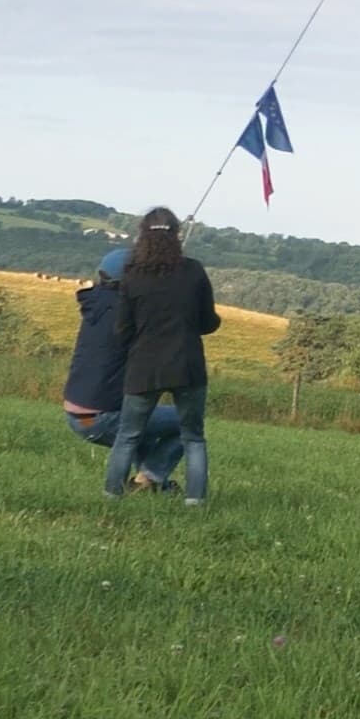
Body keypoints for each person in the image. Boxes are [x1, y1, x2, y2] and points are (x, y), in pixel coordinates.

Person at [105, 207, 220, 505]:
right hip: (188, 365)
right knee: (193, 437)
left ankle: (111, 496)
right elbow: (209, 322)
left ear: (142, 235)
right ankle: (195, 501)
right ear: (177, 235)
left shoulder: (132, 275)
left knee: (128, 436)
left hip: (144, 366)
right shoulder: (194, 270)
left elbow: (122, 330)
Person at [61, 245, 184, 490]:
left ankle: (150, 488)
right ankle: (147, 480)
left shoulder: (98, 305)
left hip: (78, 415)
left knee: (142, 429)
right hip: (101, 418)